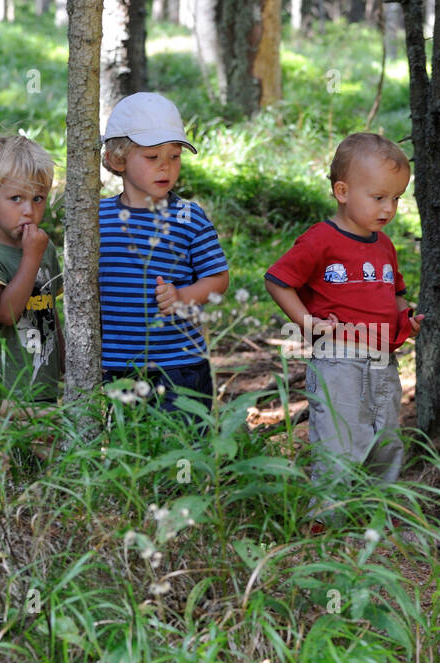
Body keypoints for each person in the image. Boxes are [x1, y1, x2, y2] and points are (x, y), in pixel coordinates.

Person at [264, 132, 423, 519]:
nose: (389, 208)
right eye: (379, 197)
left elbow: (395, 293)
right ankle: (327, 520)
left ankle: (375, 515)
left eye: (397, 198)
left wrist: (406, 318)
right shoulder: (321, 240)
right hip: (337, 359)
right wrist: (307, 322)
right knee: (339, 441)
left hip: (383, 361)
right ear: (342, 191)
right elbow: (278, 280)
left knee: (385, 438)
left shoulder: (384, 245)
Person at [98, 92, 230, 412]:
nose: (166, 168)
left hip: (179, 365)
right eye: (152, 157)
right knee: (129, 448)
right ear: (118, 159)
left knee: (181, 445)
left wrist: (183, 296)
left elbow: (218, 278)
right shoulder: (97, 217)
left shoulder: (188, 216)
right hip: (116, 367)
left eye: (174, 156)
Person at [0, 136, 64, 403]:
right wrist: (31, 258)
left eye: (38, 198)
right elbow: (6, 313)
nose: (29, 211)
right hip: (2, 395)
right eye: (16, 198)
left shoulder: (45, 249)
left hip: (46, 390)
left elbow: (50, 311)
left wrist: (66, 368)